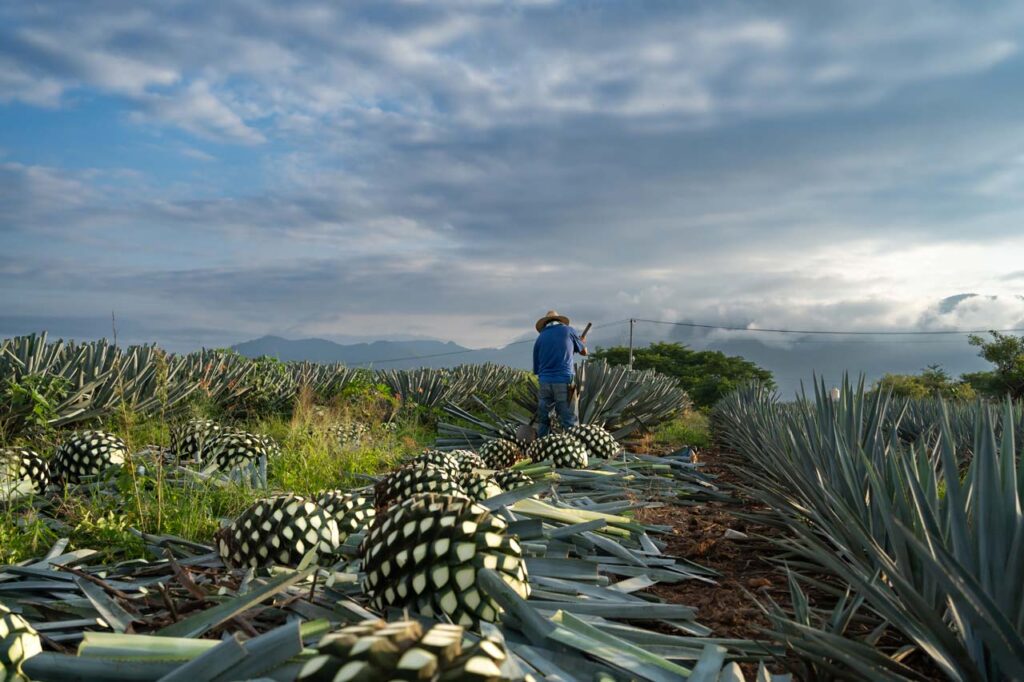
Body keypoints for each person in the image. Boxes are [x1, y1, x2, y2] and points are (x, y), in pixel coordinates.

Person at [532, 309, 587, 437]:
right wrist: (581, 342)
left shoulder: (540, 339)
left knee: (544, 421)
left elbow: (537, 369)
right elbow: (584, 352)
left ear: (546, 323)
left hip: (545, 383)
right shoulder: (568, 330)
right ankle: (573, 451)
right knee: (570, 421)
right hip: (564, 381)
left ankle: (541, 449)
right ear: (559, 320)